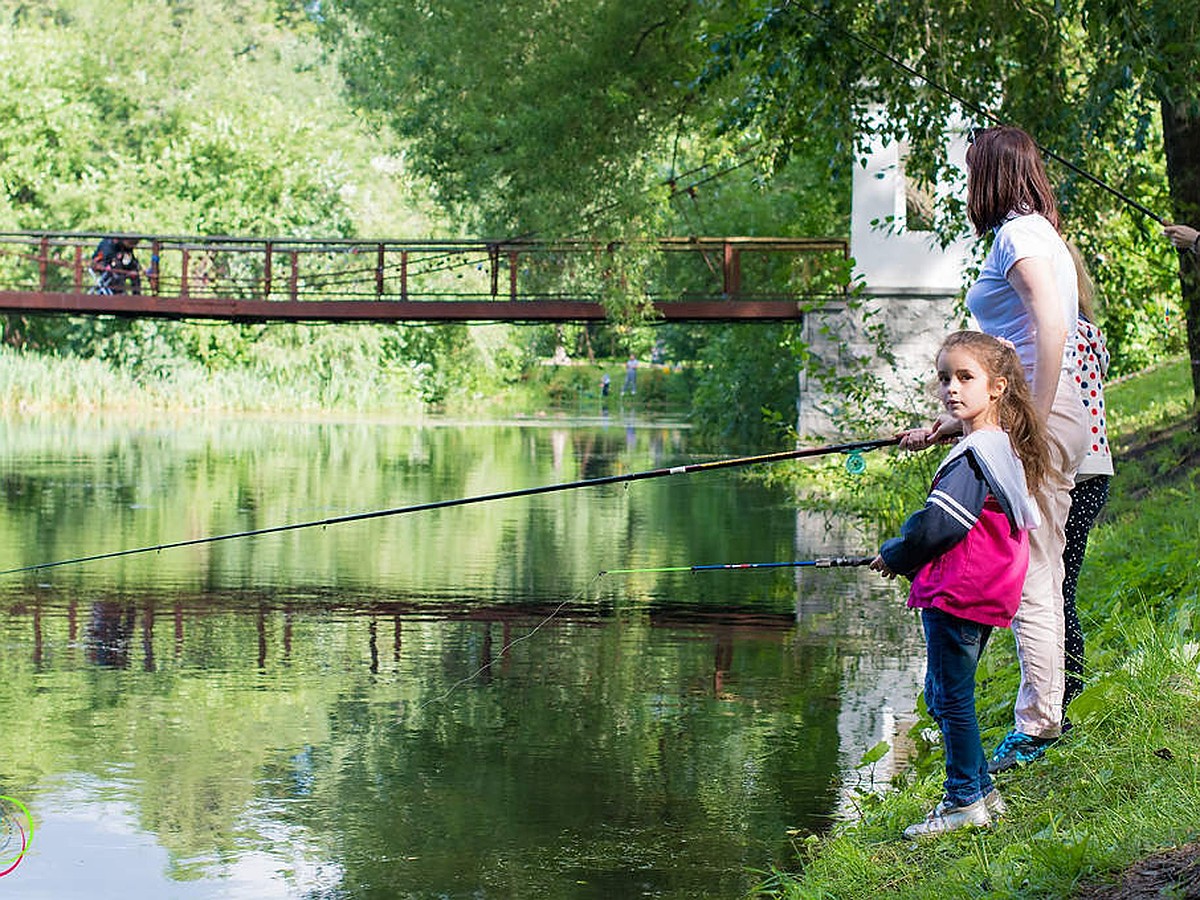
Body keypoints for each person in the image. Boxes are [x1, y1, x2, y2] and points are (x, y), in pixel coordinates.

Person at [900, 126, 1090, 773]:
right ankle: (1032, 715)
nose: (965, 182)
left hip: (1039, 415)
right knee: (1038, 573)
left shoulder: (1019, 235)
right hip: (1027, 413)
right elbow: (1006, 352)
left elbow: (1051, 327)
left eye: (970, 169)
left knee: (1035, 578)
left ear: (993, 173)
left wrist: (1028, 416)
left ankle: (1038, 727)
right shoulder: (1038, 233)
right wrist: (949, 426)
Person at [872, 331, 1048, 837]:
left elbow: (938, 526)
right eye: (945, 377)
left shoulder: (976, 456)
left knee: (950, 696)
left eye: (965, 378)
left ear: (997, 388)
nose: (951, 388)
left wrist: (896, 554)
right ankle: (981, 787)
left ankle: (962, 802)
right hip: (983, 589)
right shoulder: (997, 445)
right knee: (946, 692)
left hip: (961, 590)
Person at [1061, 253, 1113, 719]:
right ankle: (1066, 688)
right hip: (1095, 471)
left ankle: (1069, 690)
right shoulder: (1091, 334)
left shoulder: (1063, 336)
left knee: (1057, 589)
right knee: (1061, 586)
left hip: (1077, 471)